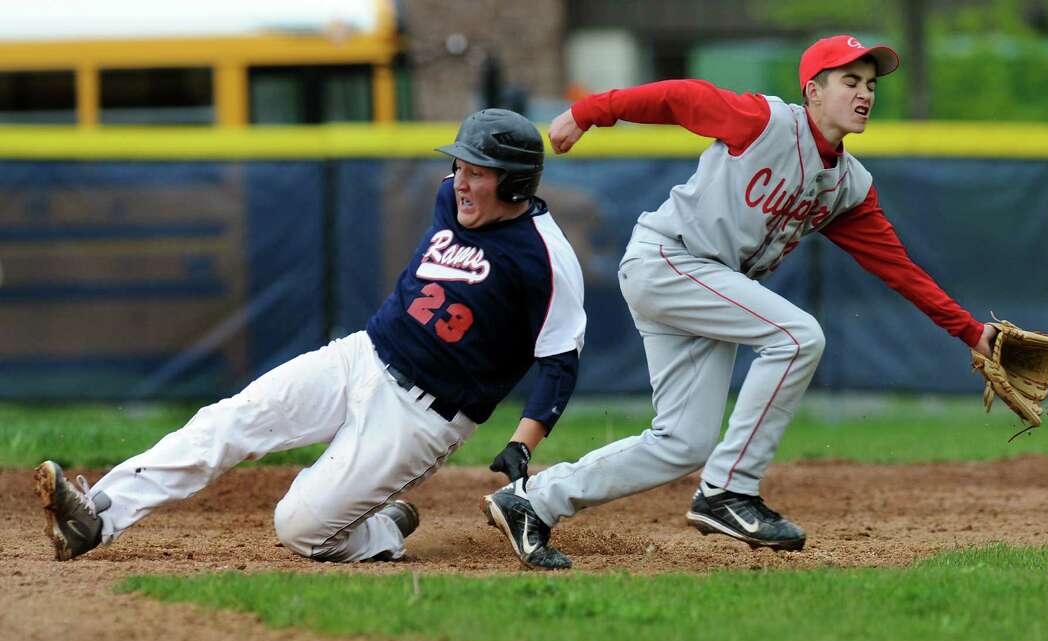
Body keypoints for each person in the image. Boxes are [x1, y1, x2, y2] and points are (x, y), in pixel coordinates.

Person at [482, 35, 997, 569]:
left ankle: (531, 502)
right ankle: (729, 491)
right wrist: (589, 112)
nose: (865, 93)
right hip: (669, 259)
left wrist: (971, 333)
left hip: (703, 284)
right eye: (850, 81)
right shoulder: (764, 122)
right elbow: (681, 98)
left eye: (870, 84)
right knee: (798, 336)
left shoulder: (847, 185)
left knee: (682, 443)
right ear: (813, 91)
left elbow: (899, 268)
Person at [35, 108, 586, 567]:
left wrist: (523, 442)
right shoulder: (455, 200)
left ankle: (384, 528)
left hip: (422, 416)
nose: (461, 181)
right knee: (229, 419)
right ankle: (97, 516)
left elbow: (561, 359)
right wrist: (467, 178)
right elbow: (460, 197)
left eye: (478, 171)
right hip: (362, 355)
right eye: (459, 166)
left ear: (513, 182)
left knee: (299, 528)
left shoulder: (545, 257)